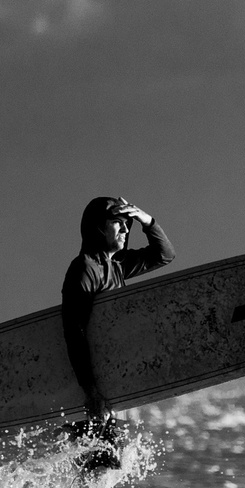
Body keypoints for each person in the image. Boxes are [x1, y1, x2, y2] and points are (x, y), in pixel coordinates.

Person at [60, 195, 175, 464]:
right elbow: (74, 331)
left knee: (105, 466)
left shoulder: (118, 266)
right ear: (98, 228)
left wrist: (146, 220)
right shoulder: (85, 268)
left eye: (127, 224)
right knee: (98, 468)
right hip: (88, 386)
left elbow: (165, 255)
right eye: (117, 223)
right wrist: (90, 391)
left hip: (106, 383)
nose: (125, 229)